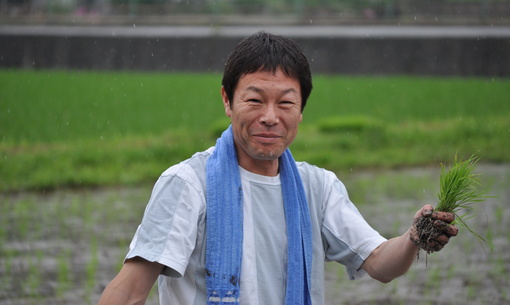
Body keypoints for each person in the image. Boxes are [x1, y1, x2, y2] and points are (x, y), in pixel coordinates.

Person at [97, 31, 458, 305]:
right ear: (227, 100)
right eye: (254, 100)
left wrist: (414, 238)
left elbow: (379, 262)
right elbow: (130, 292)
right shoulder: (188, 184)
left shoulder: (317, 187)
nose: (270, 117)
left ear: (301, 109)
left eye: (285, 103)